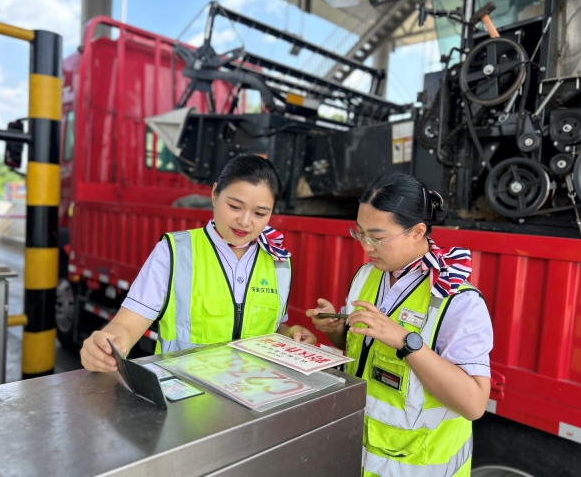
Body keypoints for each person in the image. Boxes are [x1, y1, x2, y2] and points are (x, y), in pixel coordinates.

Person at [307, 172, 492, 476]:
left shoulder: (457, 300)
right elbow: (361, 350)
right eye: (360, 233)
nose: (366, 246)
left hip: (416, 465)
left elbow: (473, 404)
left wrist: (405, 341)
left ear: (417, 231)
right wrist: (337, 328)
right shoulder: (367, 275)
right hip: (358, 452)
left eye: (378, 237)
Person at [82, 155, 316, 372]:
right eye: (235, 207)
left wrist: (291, 333)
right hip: (184, 403)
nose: (245, 222)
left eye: (260, 213)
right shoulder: (174, 252)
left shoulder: (278, 261)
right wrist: (105, 344)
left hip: (253, 401)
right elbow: (126, 326)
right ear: (215, 194)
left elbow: (272, 328)